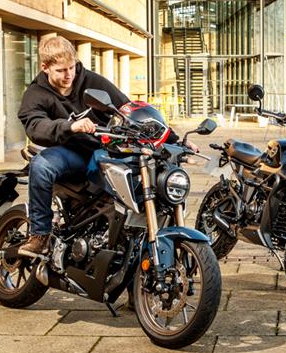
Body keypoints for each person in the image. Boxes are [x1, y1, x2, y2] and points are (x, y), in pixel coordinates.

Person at [17, 36, 188, 254]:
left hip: (104, 150)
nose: (69, 75)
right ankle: (40, 235)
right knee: (41, 166)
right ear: (45, 68)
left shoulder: (90, 81)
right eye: (61, 70)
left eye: (72, 68)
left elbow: (129, 109)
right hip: (69, 152)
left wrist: (175, 139)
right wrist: (70, 127)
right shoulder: (36, 94)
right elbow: (35, 125)